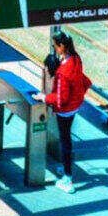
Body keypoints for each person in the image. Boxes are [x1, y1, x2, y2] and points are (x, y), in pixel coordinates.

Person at [34, 32, 90, 193]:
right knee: (66, 139)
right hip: (75, 104)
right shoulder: (76, 59)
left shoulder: (62, 73)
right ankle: (66, 167)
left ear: (62, 46)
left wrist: (44, 97)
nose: (54, 49)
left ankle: (68, 179)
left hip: (65, 111)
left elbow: (61, 98)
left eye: (55, 46)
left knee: (65, 141)